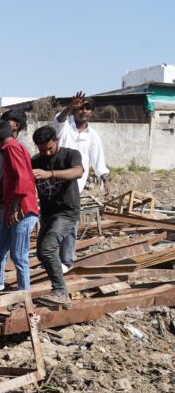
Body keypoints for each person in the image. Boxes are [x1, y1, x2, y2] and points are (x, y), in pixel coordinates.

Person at [54, 92, 110, 270]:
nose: (84, 111)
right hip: (55, 182)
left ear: (91, 112)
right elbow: (58, 120)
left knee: (71, 222)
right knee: (52, 221)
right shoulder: (65, 127)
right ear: (74, 110)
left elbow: (98, 159)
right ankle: (52, 259)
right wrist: (70, 106)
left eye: (87, 108)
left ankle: (66, 261)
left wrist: (105, 179)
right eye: (80, 108)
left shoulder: (92, 135)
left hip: (75, 186)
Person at [31, 125, 83, 306]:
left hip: (67, 212)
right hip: (48, 213)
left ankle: (60, 291)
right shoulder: (36, 160)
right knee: (41, 253)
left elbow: (78, 171)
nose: (46, 153)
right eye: (42, 150)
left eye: (50, 148)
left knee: (47, 249)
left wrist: (50, 174)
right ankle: (59, 289)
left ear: (56, 140)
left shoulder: (70, 154)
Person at [0, 120, 39, 291]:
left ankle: (24, 293)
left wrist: (15, 207)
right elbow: (5, 183)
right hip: (13, 209)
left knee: (19, 254)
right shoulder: (13, 148)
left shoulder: (10, 148)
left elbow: (22, 178)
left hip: (22, 209)